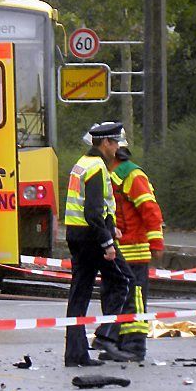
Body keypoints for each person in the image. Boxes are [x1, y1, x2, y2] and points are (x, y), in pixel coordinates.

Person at [64, 121, 137, 367]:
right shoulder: (96, 167)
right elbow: (93, 211)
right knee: (124, 280)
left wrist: (110, 224)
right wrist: (107, 242)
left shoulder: (81, 163)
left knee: (79, 294)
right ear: (106, 143)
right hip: (92, 238)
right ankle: (106, 336)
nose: (117, 148)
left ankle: (75, 354)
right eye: (115, 143)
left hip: (76, 234)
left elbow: (94, 207)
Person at [107, 139, 164, 361]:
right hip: (118, 250)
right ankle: (118, 344)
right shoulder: (110, 174)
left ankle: (135, 347)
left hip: (134, 249)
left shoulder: (132, 175)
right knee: (118, 298)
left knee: (134, 298)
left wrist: (156, 242)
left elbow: (150, 209)